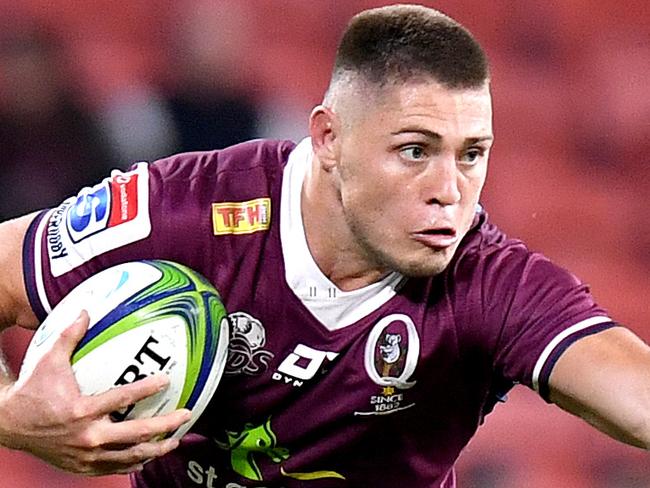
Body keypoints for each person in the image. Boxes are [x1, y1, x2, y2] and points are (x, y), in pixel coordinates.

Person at [0, 4, 649, 487]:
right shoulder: (192, 210)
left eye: (471, 154)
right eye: (414, 151)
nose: (450, 191)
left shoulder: (488, 282)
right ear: (329, 139)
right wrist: (11, 415)